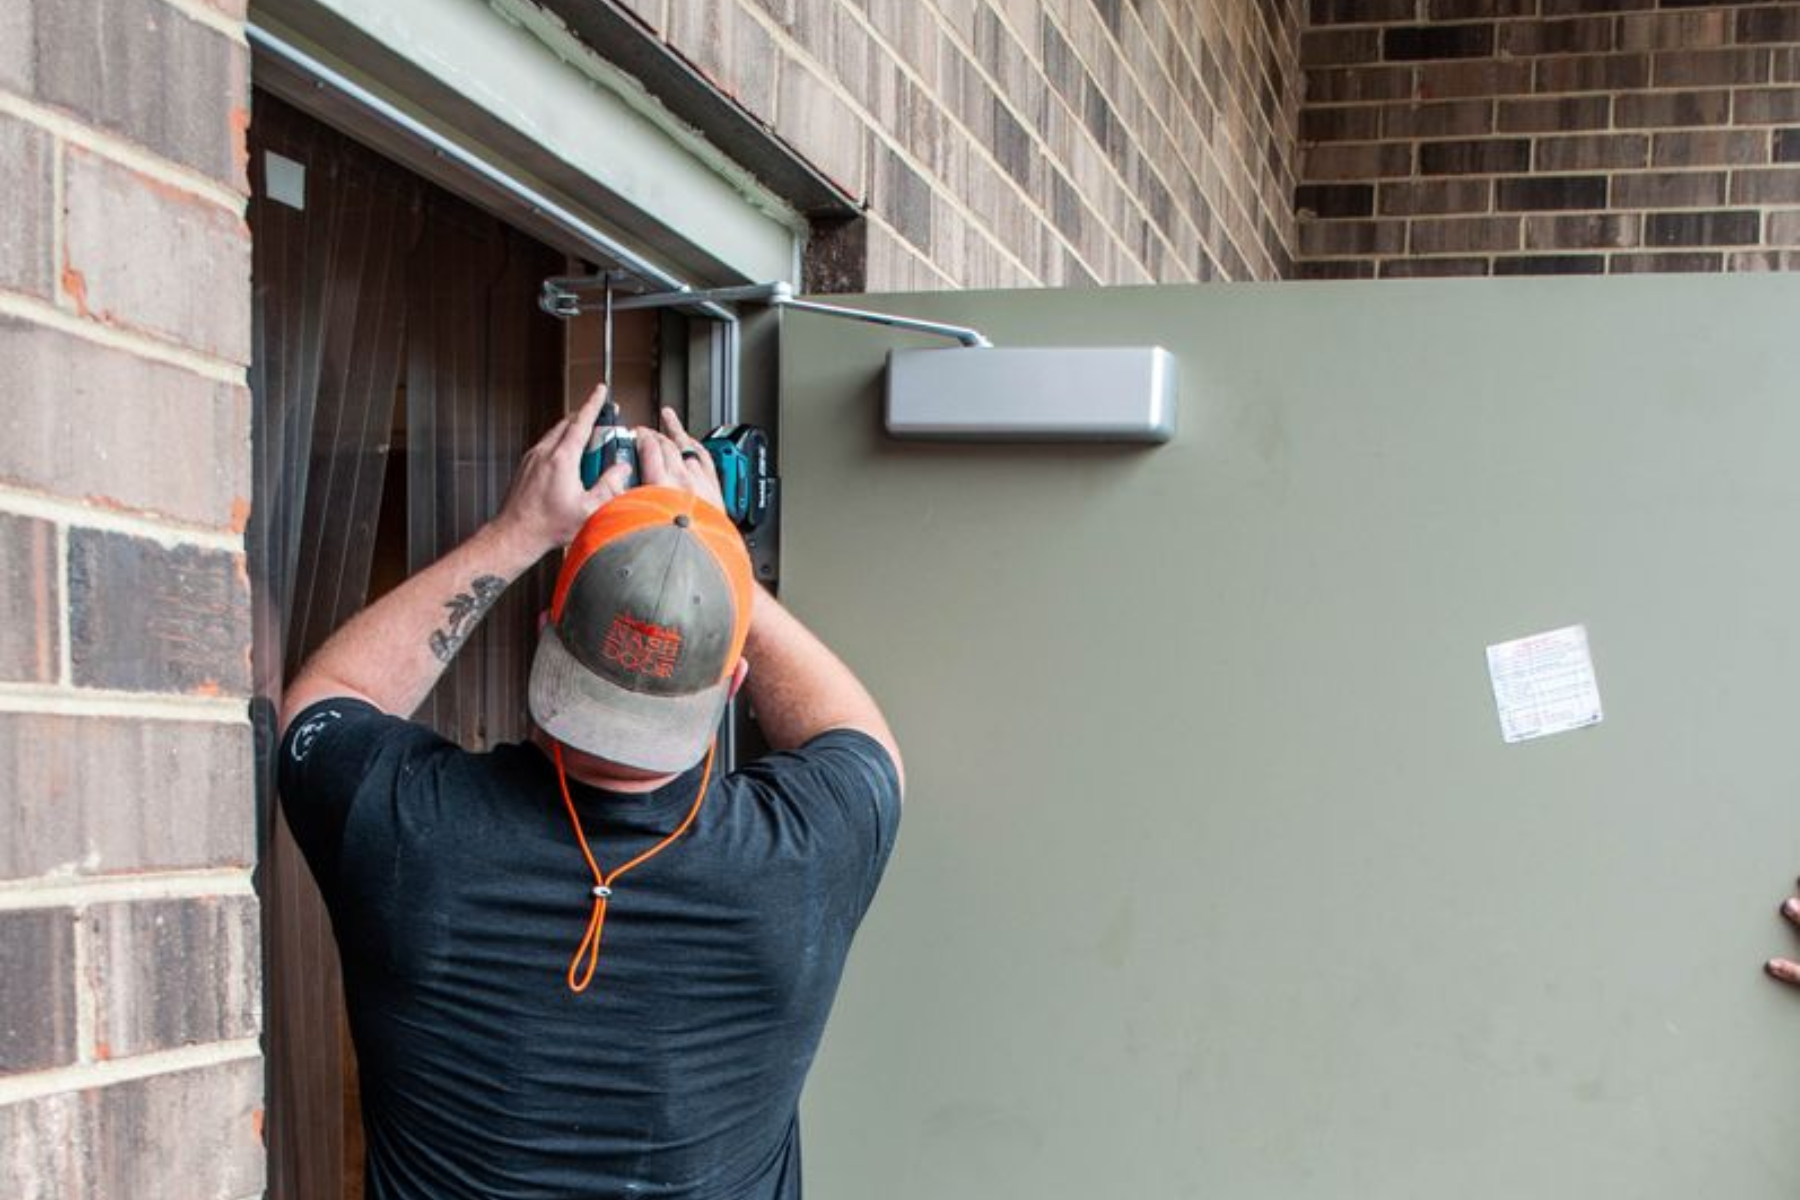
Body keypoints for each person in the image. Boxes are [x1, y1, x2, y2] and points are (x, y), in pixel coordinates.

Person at [277, 386, 904, 1199]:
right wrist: (709, 555)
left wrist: (517, 533)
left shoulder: (412, 830)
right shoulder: (806, 853)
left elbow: (327, 699)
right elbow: (853, 732)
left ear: (547, 638)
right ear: (732, 683)